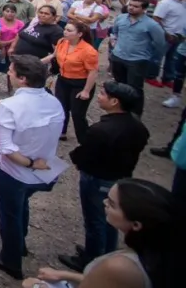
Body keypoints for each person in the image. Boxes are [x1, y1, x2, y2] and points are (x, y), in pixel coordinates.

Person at [0, 55, 67, 281]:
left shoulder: (10, 107)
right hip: (42, 171)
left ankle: (11, 261)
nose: (8, 73)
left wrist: (29, 162)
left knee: (9, 214)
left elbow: (6, 147)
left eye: (11, 71)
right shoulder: (53, 102)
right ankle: (21, 243)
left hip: (14, 171)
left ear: (23, 79)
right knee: (22, 204)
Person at [56, 81, 150, 273]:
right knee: (110, 220)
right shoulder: (138, 127)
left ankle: (93, 261)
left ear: (115, 101)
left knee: (95, 220)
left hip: (97, 178)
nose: (98, 96)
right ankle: (106, 251)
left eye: (103, 94)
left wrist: (77, 160)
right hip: (119, 176)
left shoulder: (101, 130)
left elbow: (84, 155)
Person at [23, 179, 180, 288]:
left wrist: (37, 286)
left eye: (112, 204)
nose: (104, 203)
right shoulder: (161, 251)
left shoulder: (121, 267)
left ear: (136, 224)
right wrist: (66, 275)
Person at [41, 21, 99, 143]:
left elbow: (93, 72)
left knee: (77, 114)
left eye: (69, 30)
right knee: (61, 108)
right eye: (65, 29)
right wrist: (36, 62)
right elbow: (53, 56)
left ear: (79, 34)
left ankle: (84, 141)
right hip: (63, 80)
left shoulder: (88, 51)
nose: (65, 32)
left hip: (80, 83)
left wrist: (86, 91)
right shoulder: (62, 42)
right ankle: (61, 132)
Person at [109, 0, 165, 116]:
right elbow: (115, 33)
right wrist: (115, 46)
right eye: (130, 5)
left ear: (144, 9)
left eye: (136, 6)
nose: (131, 8)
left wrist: (149, 56)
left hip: (137, 61)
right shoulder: (121, 18)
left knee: (135, 89)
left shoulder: (151, 25)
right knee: (119, 86)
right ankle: (120, 111)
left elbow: (160, 44)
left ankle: (135, 115)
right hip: (118, 57)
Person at [150, 0, 186, 89]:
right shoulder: (165, 3)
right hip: (166, 35)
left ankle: (168, 78)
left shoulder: (183, 3)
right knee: (157, 57)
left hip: (179, 36)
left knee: (172, 58)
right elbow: (156, 19)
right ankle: (151, 76)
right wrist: (166, 33)